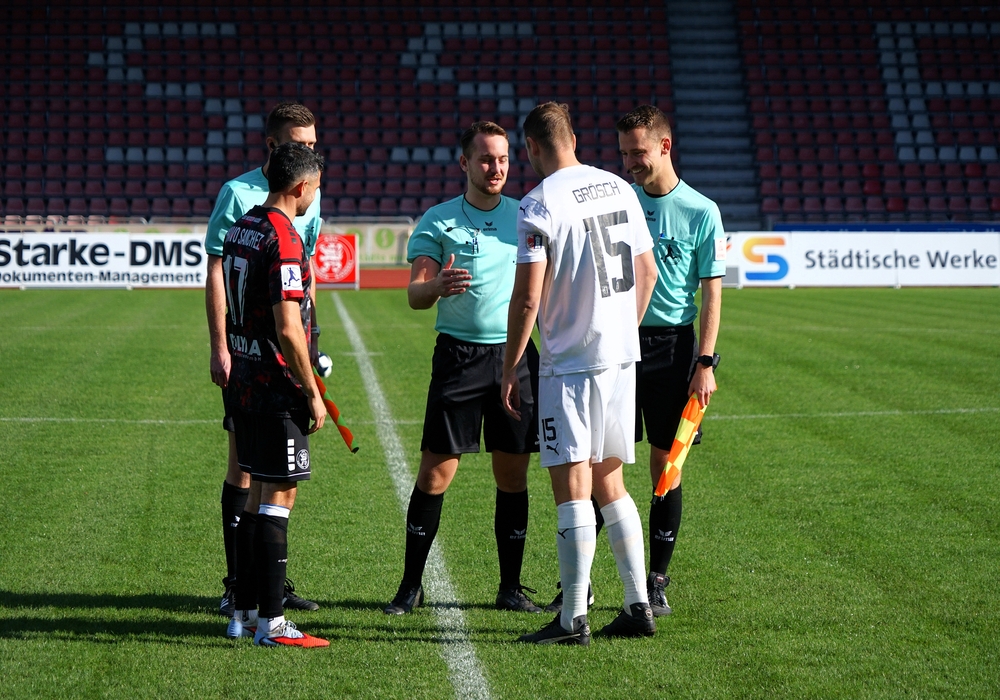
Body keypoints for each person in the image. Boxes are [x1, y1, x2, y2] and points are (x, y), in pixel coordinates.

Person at [502, 102, 659, 645]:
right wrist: (621, 332)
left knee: (572, 486)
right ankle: (638, 604)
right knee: (610, 481)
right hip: (621, 359)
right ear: (573, 137)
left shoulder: (538, 202)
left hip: (570, 364)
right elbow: (647, 271)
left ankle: (572, 618)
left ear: (531, 148)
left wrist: (511, 366)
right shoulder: (619, 187)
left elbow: (527, 299)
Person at [383, 121, 543, 616]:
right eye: (485, 159)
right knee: (435, 474)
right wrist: (436, 287)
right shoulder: (438, 220)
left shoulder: (527, 215)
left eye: (503, 159)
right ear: (464, 164)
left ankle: (510, 588)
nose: (496, 168)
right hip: (459, 358)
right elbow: (415, 294)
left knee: (512, 475)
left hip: (516, 358)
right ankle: (411, 586)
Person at [205, 103, 323, 616]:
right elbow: (223, 274)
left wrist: (313, 344)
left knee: (259, 483)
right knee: (259, 482)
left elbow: (304, 277)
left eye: (313, 145)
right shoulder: (248, 203)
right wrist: (222, 345)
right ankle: (254, 600)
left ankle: (251, 599)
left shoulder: (255, 220)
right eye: (301, 146)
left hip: (263, 356)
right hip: (267, 367)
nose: (311, 154)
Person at [616, 104, 725, 616]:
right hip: (619, 345)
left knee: (666, 466)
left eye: (637, 152)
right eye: (623, 153)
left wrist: (705, 362)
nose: (629, 163)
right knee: (601, 463)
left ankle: (656, 579)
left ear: (664, 146)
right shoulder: (621, 202)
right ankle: (580, 580)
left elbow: (711, 293)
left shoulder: (702, 211)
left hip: (675, 350)